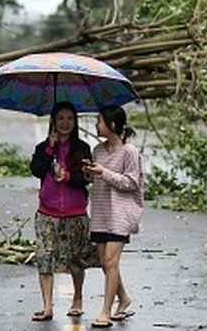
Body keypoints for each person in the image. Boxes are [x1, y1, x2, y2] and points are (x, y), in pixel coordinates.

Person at [29, 101, 96, 322]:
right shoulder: (43, 148)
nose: (65, 123)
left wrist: (66, 176)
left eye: (69, 118)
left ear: (75, 122)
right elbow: (36, 170)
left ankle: (77, 298)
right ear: (53, 122)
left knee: (76, 258)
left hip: (75, 212)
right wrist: (49, 149)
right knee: (45, 257)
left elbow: (84, 179)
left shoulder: (82, 148)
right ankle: (47, 306)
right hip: (47, 213)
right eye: (60, 119)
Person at [83, 105, 143, 328]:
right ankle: (124, 298)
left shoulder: (130, 152)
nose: (96, 125)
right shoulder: (97, 150)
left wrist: (103, 173)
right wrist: (88, 173)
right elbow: (94, 180)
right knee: (105, 263)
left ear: (113, 125)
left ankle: (105, 312)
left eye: (99, 121)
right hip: (100, 212)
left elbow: (131, 183)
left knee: (110, 261)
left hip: (121, 213)